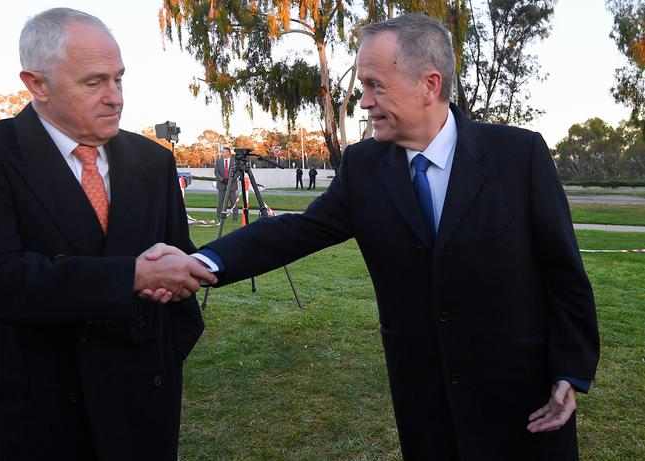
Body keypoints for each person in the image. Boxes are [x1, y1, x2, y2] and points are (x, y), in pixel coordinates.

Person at [145, 13, 599, 460]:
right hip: (426, 405)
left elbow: (564, 274)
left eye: (375, 86)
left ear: (430, 85)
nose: (363, 102)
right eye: (362, 87)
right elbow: (295, 232)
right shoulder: (363, 168)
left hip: (523, 404)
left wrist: (571, 370)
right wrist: (202, 263)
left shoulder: (519, 157)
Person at [0, 8, 216, 461]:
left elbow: (178, 260)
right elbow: (4, 278)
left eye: (119, 78)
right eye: (94, 82)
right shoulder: (2, 156)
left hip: (142, 405)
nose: (115, 97)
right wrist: (129, 277)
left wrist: (167, 357)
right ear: (36, 84)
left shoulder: (153, 162)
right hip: (37, 415)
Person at [215, 146, 239, 220]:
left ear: (228, 153)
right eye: (222, 152)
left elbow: (237, 173)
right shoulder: (218, 162)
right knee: (221, 202)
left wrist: (230, 179)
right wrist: (222, 179)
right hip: (221, 185)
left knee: (233, 202)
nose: (222, 153)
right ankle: (220, 217)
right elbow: (216, 172)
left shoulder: (234, 162)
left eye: (224, 152)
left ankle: (235, 217)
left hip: (232, 185)